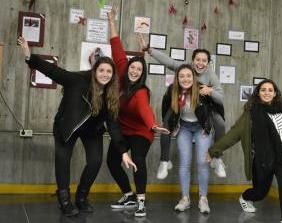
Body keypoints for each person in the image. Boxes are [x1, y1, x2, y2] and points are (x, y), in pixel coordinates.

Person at [17, 37, 134, 217]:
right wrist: (28, 55)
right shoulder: (77, 80)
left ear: (113, 74)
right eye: (101, 70)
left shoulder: (111, 94)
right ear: (95, 71)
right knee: (63, 159)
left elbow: (113, 126)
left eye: (108, 72)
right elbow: (53, 71)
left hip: (92, 130)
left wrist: (124, 152)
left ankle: (81, 196)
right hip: (68, 125)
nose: (105, 74)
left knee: (95, 161)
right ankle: (64, 200)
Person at [207, 73, 282, 223]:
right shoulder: (250, 114)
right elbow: (233, 134)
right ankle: (245, 197)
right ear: (258, 93)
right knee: (260, 192)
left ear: (275, 93)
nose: (267, 93)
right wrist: (214, 150)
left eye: (270, 90)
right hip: (262, 160)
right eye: (263, 90)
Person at [107, 8, 169, 217]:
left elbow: (145, 110)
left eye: (139, 70)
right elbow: (116, 46)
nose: (134, 71)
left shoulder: (141, 92)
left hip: (142, 131)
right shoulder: (123, 72)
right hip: (123, 129)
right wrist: (111, 20)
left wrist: (153, 125)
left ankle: (141, 201)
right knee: (112, 161)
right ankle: (128, 195)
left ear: (142, 75)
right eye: (133, 68)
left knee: (138, 160)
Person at [138, 34, 227, 179]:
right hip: (181, 107)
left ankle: (217, 158)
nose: (200, 63)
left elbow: (221, 98)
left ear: (208, 63)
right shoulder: (184, 69)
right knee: (166, 125)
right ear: (192, 61)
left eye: (204, 61)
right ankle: (164, 161)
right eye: (197, 60)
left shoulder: (210, 75)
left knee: (220, 123)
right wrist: (149, 50)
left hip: (204, 108)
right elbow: (169, 62)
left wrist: (210, 91)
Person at [165, 64, 215, 214]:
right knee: (184, 163)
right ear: (177, 78)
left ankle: (203, 199)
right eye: (182, 76)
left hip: (201, 128)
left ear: (194, 78)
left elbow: (215, 111)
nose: (185, 79)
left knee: (202, 162)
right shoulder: (172, 91)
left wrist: (208, 127)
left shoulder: (202, 91)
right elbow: (166, 112)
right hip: (184, 128)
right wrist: (171, 127)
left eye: (188, 76)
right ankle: (185, 198)